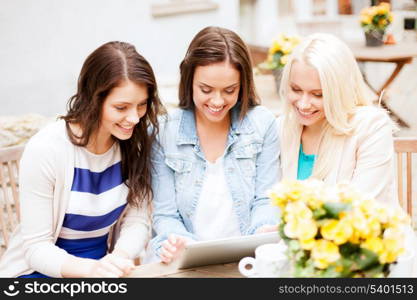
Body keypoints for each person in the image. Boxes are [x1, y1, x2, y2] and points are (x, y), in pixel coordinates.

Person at [0, 41, 164, 277]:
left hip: (101, 272)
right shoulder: (47, 149)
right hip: (38, 273)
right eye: (121, 107)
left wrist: (118, 259)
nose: (134, 118)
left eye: (141, 105)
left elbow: (137, 221)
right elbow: (36, 249)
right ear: (94, 99)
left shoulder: (133, 143)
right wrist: (92, 269)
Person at [148, 26, 281, 264]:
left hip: (245, 262)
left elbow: (266, 198)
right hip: (181, 265)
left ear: (243, 85)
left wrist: (264, 229)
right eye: (206, 90)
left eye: (230, 90)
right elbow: (165, 214)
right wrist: (180, 243)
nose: (218, 101)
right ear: (189, 81)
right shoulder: (164, 131)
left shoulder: (263, 124)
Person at [278, 33, 397, 205]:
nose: (303, 105)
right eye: (296, 90)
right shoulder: (283, 127)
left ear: (341, 91)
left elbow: (363, 207)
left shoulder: (371, 126)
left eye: (318, 94)